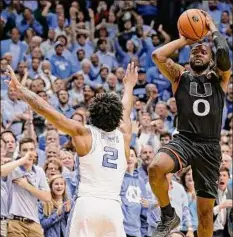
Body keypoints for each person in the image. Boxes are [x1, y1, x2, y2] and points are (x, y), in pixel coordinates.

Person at [5, 62, 138, 237]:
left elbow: (49, 111)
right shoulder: (124, 136)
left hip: (87, 205)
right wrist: (129, 86)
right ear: (117, 117)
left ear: (93, 114)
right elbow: (126, 110)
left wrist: (21, 89)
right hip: (113, 208)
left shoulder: (83, 133)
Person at [148, 13, 231, 237]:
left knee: (205, 215)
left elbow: (224, 54)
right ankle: (168, 214)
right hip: (184, 139)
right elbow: (158, 55)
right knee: (156, 168)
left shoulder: (220, 77)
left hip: (210, 146)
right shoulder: (180, 76)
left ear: (211, 59)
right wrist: (186, 39)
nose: (198, 51)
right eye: (194, 50)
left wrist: (211, 27)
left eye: (204, 50)